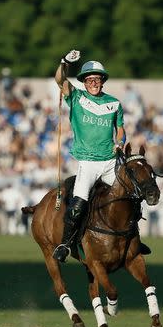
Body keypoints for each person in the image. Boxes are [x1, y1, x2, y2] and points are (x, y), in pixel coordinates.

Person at [51, 49, 126, 262]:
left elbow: (120, 128)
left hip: (110, 162)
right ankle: (66, 244)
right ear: (84, 82)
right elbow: (59, 79)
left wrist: (120, 142)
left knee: (128, 197)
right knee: (77, 206)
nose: (94, 83)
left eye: (97, 79)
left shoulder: (114, 103)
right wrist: (64, 61)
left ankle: (133, 238)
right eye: (90, 79)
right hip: (89, 163)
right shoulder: (76, 96)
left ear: (103, 81)